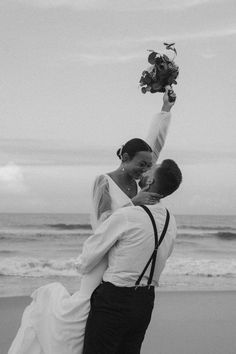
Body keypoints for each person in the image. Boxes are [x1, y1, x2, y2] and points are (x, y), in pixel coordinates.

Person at [8, 88, 176, 354]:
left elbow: (153, 145)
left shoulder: (141, 183)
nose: (145, 170)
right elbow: (103, 224)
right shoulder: (104, 181)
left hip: (125, 261)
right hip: (103, 260)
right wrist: (133, 205)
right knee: (85, 324)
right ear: (124, 158)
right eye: (141, 165)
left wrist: (165, 109)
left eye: (148, 167)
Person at [80, 159, 182, 354]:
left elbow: (88, 256)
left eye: (149, 169)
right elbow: (164, 255)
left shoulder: (127, 215)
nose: (144, 171)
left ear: (151, 180)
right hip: (145, 302)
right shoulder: (171, 220)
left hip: (115, 299)